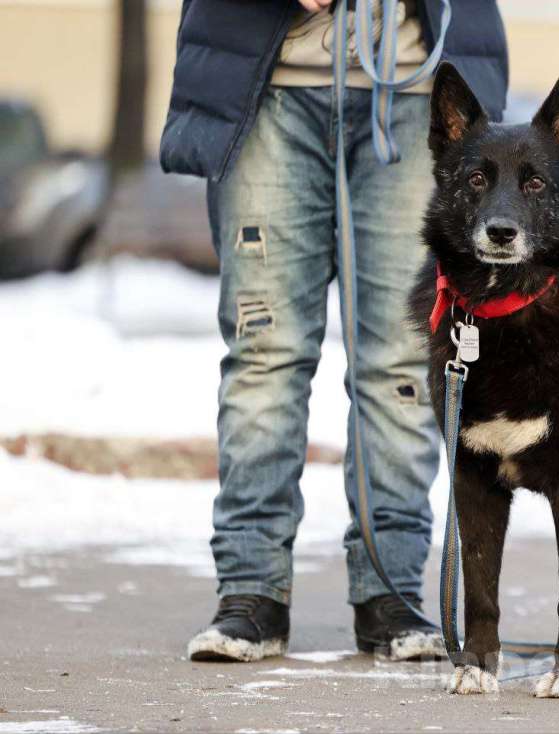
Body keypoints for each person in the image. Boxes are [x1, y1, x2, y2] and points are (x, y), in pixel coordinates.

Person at [159, 0, 509, 662]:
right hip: (264, 91)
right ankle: (251, 588)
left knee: (403, 359)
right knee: (264, 350)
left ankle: (392, 590)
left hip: (417, 97)